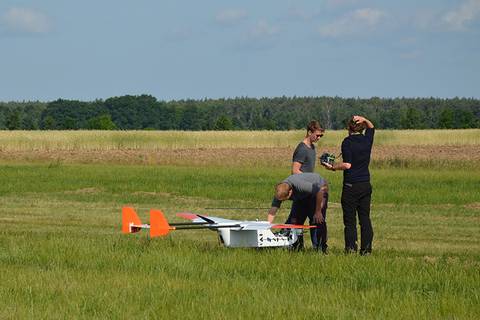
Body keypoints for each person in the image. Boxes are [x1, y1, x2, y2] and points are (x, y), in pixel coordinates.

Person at [322, 115, 374, 255]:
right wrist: (363, 118)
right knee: (365, 219)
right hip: (365, 184)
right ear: (362, 127)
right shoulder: (367, 140)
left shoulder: (347, 142)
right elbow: (371, 126)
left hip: (351, 185)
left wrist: (331, 167)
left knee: (350, 221)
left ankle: (351, 249)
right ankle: (366, 250)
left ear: (348, 128)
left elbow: (347, 165)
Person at [267, 172, 328, 252]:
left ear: (290, 192)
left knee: (317, 220)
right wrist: (267, 227)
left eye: (285, 199)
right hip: (301, 197)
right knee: (293, 222)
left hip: (319, 191)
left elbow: (319, 191)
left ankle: (320, 249)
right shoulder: (281, 191)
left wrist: (318, 211)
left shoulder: (300, 185)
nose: (284, 201)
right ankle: (297, 248)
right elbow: (273, 210)